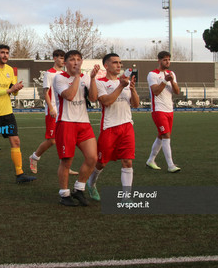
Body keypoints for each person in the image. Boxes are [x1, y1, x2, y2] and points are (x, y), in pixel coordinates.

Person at [87, 53, 140, 201]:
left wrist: (133, 89)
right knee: (101, 162)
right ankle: (91, 184)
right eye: (115, 62)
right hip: (109, 127)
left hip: (127, 126)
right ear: (106, 66)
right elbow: (106, 102)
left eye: (120, 62)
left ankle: (126, 196)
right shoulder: (100, 82)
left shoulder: (125, 82)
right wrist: (121, 87)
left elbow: (135, 104)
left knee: (127, 161)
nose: (119, 65)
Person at [0, 44, 36, 184]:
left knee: (15, 140)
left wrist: (16, 89)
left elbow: (13, 90)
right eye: (2, 52)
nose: (5, 55)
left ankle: (20, 174)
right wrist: (9, 90)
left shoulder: (10, 70)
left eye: (7, 53)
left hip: (8, 113)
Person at [53, 50, 100, 206]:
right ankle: (64, 194)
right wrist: (78, 76)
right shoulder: (59, 77)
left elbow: (93, 98)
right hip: (66, 122)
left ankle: (79, 189)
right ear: (65, 63)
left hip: (83, 123)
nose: (75, 62)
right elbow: (69, 96)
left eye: (78, 59)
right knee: (66, 161)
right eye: (72, 60)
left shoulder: (86, 77)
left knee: (93, 157)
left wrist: (92, 79)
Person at [29, 49, 78, 175]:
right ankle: (34, 157)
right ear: (55, 58)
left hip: (64, 111)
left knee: (65, 139)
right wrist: (50, 107)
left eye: (64, 58)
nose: (62, 60)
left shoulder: (64, 74)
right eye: (61, 58)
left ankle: (66, 167)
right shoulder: (49, 74)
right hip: (53, 111)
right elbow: (45, 92)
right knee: (52, 140)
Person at [146, 51, 181, 173]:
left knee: (161, 136)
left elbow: (176, 92)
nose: (167, 62)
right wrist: (165, 81)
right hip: (158, 110)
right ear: (159, 61)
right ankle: (170, 165)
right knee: (166, 135)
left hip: (169, 110)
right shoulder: (152, 74)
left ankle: (151, 160)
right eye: (165, 59)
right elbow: (155, 91)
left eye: (169, 59)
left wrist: (171, 80)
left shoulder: (171, 74)